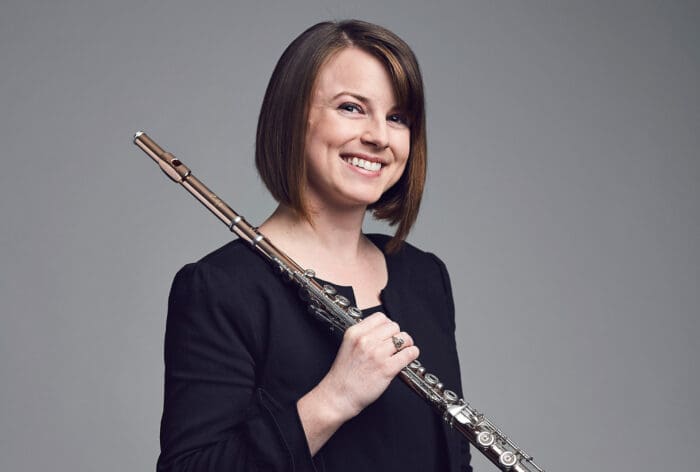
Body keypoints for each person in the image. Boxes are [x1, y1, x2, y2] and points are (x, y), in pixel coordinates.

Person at [157, 20, 472, 472]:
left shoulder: (424, 276)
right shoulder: (221, 288)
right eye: (351, 107)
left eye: (397, 117)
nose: (379, 136)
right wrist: (335, 398)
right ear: (292, 117)